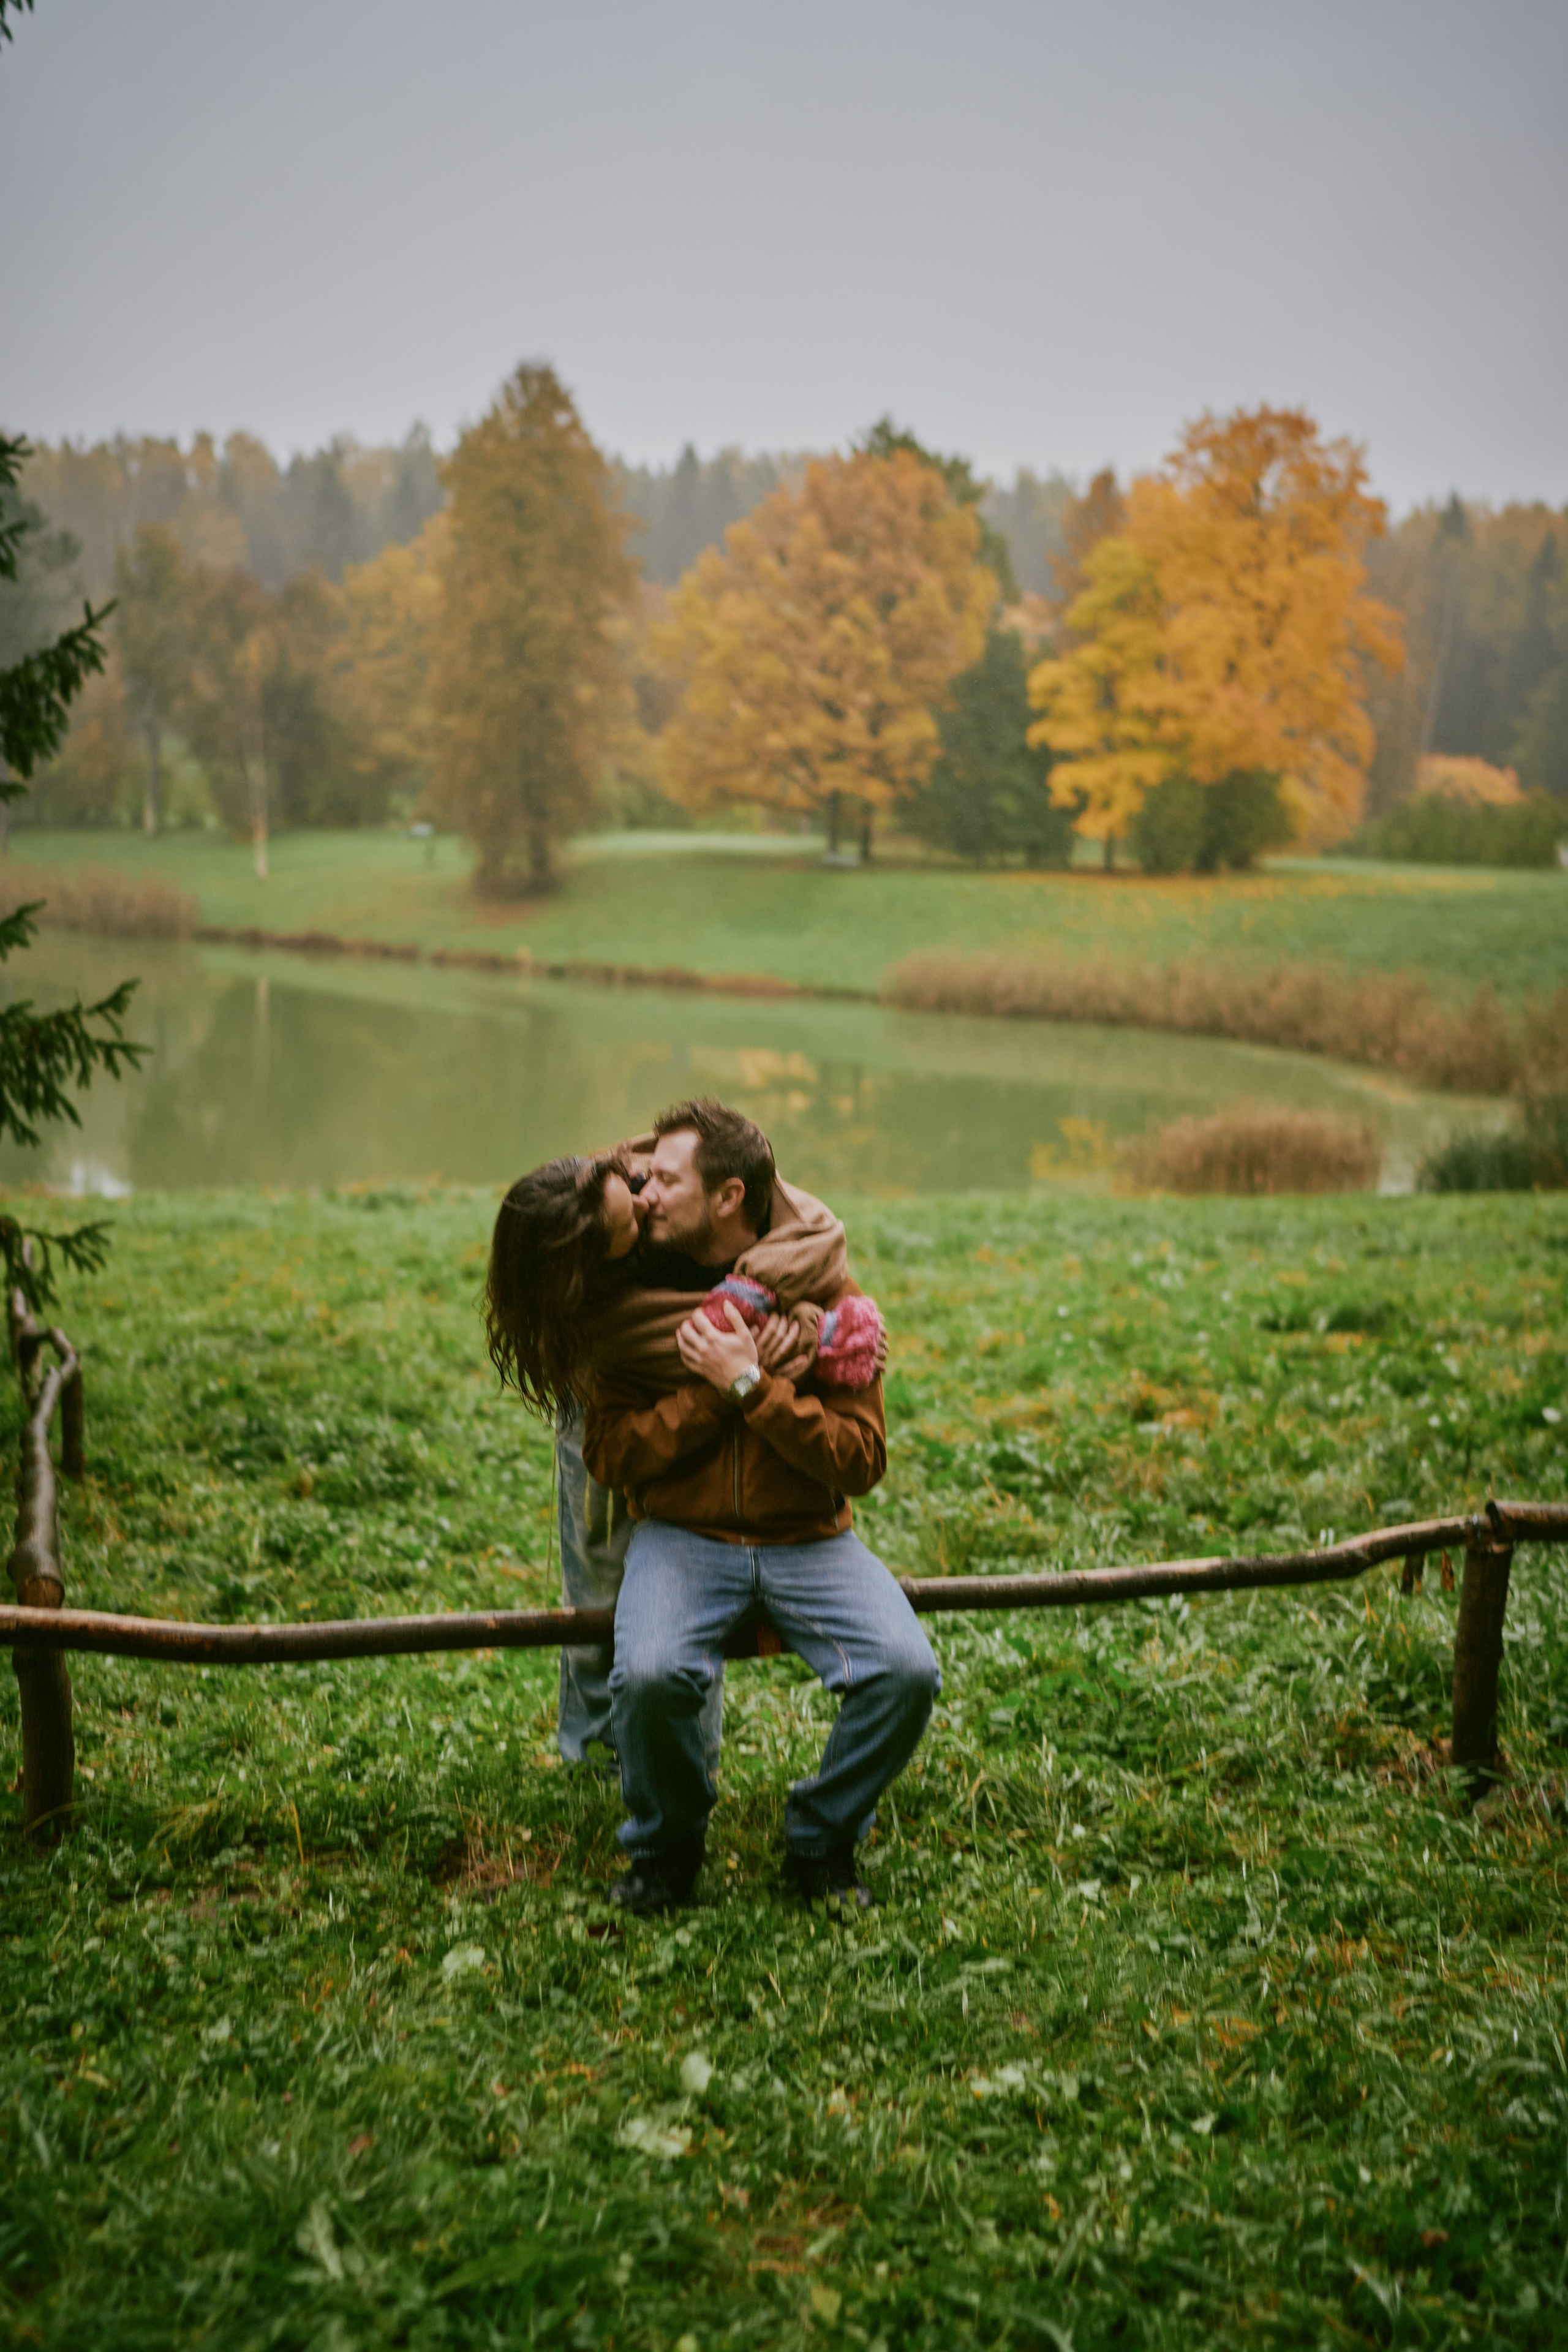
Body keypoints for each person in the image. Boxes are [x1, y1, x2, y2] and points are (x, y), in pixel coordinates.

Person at [582, 1099, 940, 1917]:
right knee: (646, 1675)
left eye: (666, 1182)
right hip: (683, 1537)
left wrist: (757, 1389)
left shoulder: (829, 1296)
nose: (645, 1195)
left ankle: (820, 1841)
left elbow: (861, 1461)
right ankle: (667, 1851)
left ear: (728, 1197)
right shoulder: (636, 1309)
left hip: (810, 1541)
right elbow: (611, 1455)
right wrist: (713, 1396)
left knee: (906, 1672)